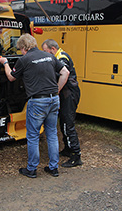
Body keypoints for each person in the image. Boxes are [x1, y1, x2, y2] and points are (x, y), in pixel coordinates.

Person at [0, 33, 69, 178]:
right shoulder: (49, 56)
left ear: (24, 48)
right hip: (53, 100)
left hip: (37, 101)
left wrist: (5, 63)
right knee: (52, 134)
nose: (21, 52)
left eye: (20, 49)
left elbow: (11, 77)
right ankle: (53, 167)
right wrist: (57, 90)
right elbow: (65, 72)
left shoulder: (24, 59)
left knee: (32, 135)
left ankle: (31, 169)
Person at [41, 39, 83, 167]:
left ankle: (76, 155)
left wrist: (56, 90)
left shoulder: (62, 57)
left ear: (53, 49)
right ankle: (67, 149)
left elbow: (63, 73)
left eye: (46, 51)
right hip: (66, 94)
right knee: (63, 122)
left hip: (69, 94)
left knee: (67, 124)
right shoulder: (58, 56)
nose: (45, 54)